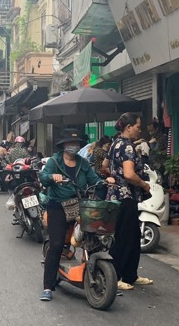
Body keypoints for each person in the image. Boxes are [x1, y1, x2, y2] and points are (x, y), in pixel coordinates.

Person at [39, 128, 114, 301]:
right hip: (57, 206)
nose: (73, 146)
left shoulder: (82, 163)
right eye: (70, 143)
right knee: (57, 245)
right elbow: (43, 177)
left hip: (79, 204)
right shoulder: (55, 161)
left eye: (76, 143)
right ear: (64, 145)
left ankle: (105, 277)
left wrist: (105, 181)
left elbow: (94, 180)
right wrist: (52, 177)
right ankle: (48, 286)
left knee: (94, 239)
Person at [106, 112, 153, 292]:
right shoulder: (127, 147)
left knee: (133, 236)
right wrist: (144, 185)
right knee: (124, 237)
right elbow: (129, 174)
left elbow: (104, 165)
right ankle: (115, 276)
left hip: (117, 196)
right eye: (138, 127)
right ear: (128, 127)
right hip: (125, 198)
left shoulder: (115, 143)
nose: (139, 130)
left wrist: (113, 177)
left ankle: (131, 275)